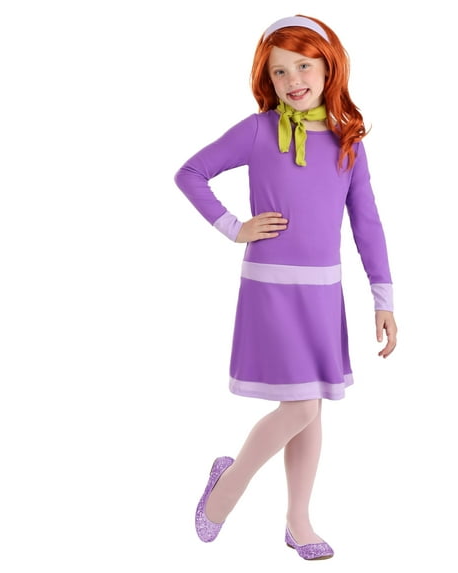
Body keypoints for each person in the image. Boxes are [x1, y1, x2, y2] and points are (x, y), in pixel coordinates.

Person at [174, 14, 397, 560]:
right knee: (299, 407)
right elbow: (191, 173)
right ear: (266, 79)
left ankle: (299, 520)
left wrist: (383, 298)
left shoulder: (348, 142)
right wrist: (234, 227)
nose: (293, 79)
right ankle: (227, 488)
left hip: (322, 292)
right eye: (279, 71)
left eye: (303, 65)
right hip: (270, 289)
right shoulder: (258, 130)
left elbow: (367, 223)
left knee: (310, 405)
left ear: (328, 67)